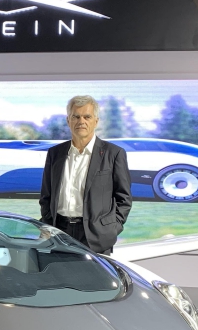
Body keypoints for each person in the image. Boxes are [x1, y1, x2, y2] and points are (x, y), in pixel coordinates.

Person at [39, 95, 132, 255]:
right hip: (58, 233)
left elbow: (124, 199)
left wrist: (110, 230)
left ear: (96, 121)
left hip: (96, 236)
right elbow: (46, 195)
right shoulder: (55, 153)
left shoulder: (114, 153)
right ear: (68, 120)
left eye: (87, 117)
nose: (81, 121)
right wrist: (48, 224)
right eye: (76, 116)